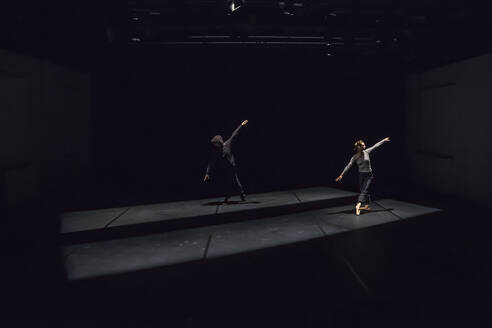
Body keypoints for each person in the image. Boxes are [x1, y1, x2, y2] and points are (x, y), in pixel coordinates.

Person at [335, 137, 390, 215]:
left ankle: (358, 204)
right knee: (363, 190)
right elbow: (348, 166)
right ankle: (366, 204)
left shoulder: (367, 152)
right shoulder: (354, 157)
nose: (365, 146)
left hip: (368, 175)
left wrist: (383, 140)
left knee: (364, 189)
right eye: (363, 145)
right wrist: (341, 175)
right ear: (358, 147)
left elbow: (376, 146)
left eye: (364, 145)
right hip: (361, 175)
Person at [204, 120, 248, 203]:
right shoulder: (216, 152)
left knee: (235, 180)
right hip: (225, 168)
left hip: (232, 166)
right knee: (228, 182)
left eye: (215, 144)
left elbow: (234, 134)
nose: (214, 146)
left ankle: (241, 195)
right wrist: (207, 173)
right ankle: (232, 195)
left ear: (219, 143)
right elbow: (211, 162)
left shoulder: (227, 144)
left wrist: (241, 125)